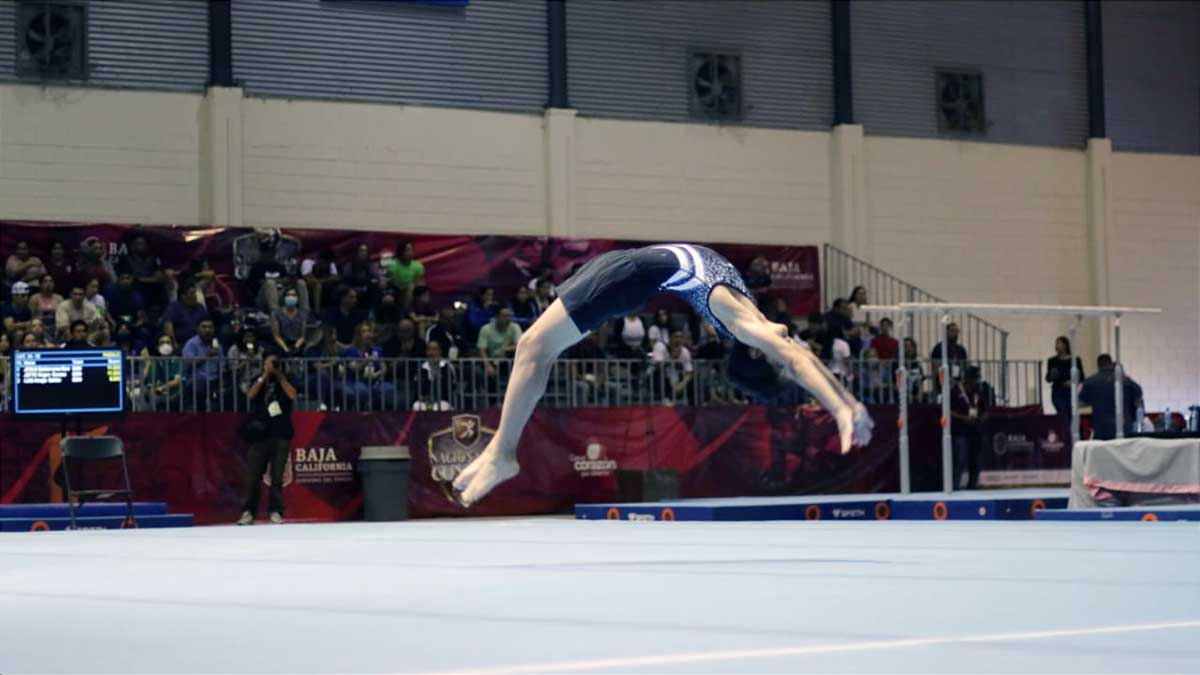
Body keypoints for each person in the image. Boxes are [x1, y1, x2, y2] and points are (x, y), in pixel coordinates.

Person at [453, 243, 873, 506]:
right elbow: (796, 358)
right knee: (535, 348)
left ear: (759, 354)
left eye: (775, 353)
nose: (788, 341)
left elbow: (794, 359)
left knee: (533, 348)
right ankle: (501, 452)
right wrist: (846, 404)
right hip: (628, 267)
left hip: (633, 274)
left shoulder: (740, 320)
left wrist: (840, 407)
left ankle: (503, 453)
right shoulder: (750, 311)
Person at [237, 353, 297, 526]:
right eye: (269, 363)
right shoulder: (259, 378)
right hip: (260, 434)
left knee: (277, 477)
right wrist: (264, 376)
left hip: (281, 433)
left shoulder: (287, 378)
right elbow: (250, 394)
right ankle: (248, 512)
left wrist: (279, 376)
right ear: (263, 364)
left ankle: (276, 511)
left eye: (275, 363)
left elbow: (292, 395)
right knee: (253, 476)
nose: (272, 365)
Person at [1079, 354, 1143, 440]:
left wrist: (1095, 399)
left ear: (1098, 365)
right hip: (1124, 428)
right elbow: (1138, 395)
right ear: (1111, 363)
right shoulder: (1125, 380)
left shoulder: (1090, 382)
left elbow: (1080, 403)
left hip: (1102, 430)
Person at [950, 365, 990, 490]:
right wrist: (963, 418)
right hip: (960, 431)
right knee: (960, 461)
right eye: (973, 380)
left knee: (975, 462)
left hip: (976, 431)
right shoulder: (955, 391)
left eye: (977, 379)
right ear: (966, 379)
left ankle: (972, 487)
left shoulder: (979, 391)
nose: (975, 383)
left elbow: (985, 409)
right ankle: (954, 487)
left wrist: (983, 417)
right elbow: (948, 411)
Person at [1046, 336, 1085, 418]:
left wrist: (1073, 381)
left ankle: (1072, 430)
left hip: (1071, 391)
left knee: (1072, 414)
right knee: (1062, 413)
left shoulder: (1076, 360)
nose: (1056, 346)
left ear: (1065, 345)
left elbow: (1082, 377)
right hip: (1058, 391)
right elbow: (1048, 379)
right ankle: (1065, 430)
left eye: (1058, 343)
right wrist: (1052, 375)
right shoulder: (1052, 361)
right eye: (1056, 344)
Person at [413, 340, 456, 411]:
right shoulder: (422, 367)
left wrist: (438, 376)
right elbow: (418, 388)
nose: (432, 353)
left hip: (443, 401)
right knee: (416, 406)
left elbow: (450, 388)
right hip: (425, 401)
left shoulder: (447, 367)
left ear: (440, 351)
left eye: (435, 349)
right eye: (429, 350)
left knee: (438, 408)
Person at [384, 241, 425, 307]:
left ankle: (406, 312)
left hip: (411, 292)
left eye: (411, 250)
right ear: (401, 252)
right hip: (395, 291)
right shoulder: (393, 265)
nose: (410, 253)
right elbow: (387, 283)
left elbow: (421, 284)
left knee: (412, 288)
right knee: (388, 299)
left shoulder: (418, 266)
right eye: (407, 250)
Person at [270, 286, 309, 355]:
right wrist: (286, 349)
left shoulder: (302, 314)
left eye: (293, 295)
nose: (291, 297)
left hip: (297, 343)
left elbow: (302, 336)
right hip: (282, 344)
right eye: (288, 295)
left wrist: (295, 347)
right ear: (284, 297)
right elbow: (276, 336)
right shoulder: (276, 313)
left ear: (297, 298)